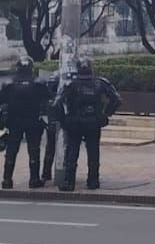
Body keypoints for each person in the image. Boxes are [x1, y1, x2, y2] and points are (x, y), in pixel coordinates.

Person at [54, 56, 121, 191]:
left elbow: (57, 103)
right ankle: (93, 181)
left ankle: (69, 182)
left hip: (75, 122)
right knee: (93, 152)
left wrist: (64, 120)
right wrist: (105, 114)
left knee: (72, 153)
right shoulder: (100, 83)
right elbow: (117, 100)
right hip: (94, 122)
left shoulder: (71, 84)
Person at [1, 55, 51, 189]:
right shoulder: (38, 83)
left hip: (14, 121)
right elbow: (48, 98)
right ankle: (34, 179)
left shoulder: (9, 83)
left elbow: (2, 102)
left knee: (11, 150)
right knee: (34, 150)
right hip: (33, 121)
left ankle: (7, 179)